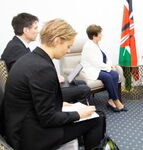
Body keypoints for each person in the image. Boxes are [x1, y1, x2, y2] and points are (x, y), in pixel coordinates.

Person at [3, 19, 105, 150]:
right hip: (30, 137)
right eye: (68, 46)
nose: (68, 51)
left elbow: (35, 98)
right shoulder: (42, 68)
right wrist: (78, 114)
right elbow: (48, 118)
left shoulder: (31, 58)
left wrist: (59, 103)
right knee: (97, 119)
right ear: (57, 41)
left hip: (20, 125)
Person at [1, 12, 90, 103]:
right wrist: (53, 79)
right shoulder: (18, 50)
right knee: (83, 88)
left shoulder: (16, 45)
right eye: (35, 28)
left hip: (27, 95)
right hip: (29, 98)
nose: (38, 31)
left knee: (78, 83)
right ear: (26, 30)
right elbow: (31, 79)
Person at [81, 24, 127, 112]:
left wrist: (111, 65)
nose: (101, 35)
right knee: (108, 77)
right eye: (100, 33)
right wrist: (109, 68)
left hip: (100, 68)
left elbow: (106, 57)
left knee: (115, 74)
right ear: (94, 35)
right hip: (92, 70)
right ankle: (116, 101)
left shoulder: (98, 44)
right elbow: (96, 63)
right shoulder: (88, 46)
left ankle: (110, 100)